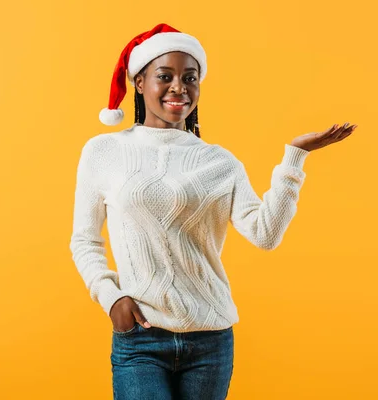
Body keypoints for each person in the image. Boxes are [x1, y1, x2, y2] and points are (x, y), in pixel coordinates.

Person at [69, 22, 357, 400]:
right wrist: (111, 298)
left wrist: (294, 159)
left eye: (190, 78)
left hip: (211, 340)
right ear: (139, 82)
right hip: (141, 338)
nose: (179, 88)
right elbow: (84, 240)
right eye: (165, 76)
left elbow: (265, 235)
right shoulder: (103, 152)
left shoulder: (220, 162)